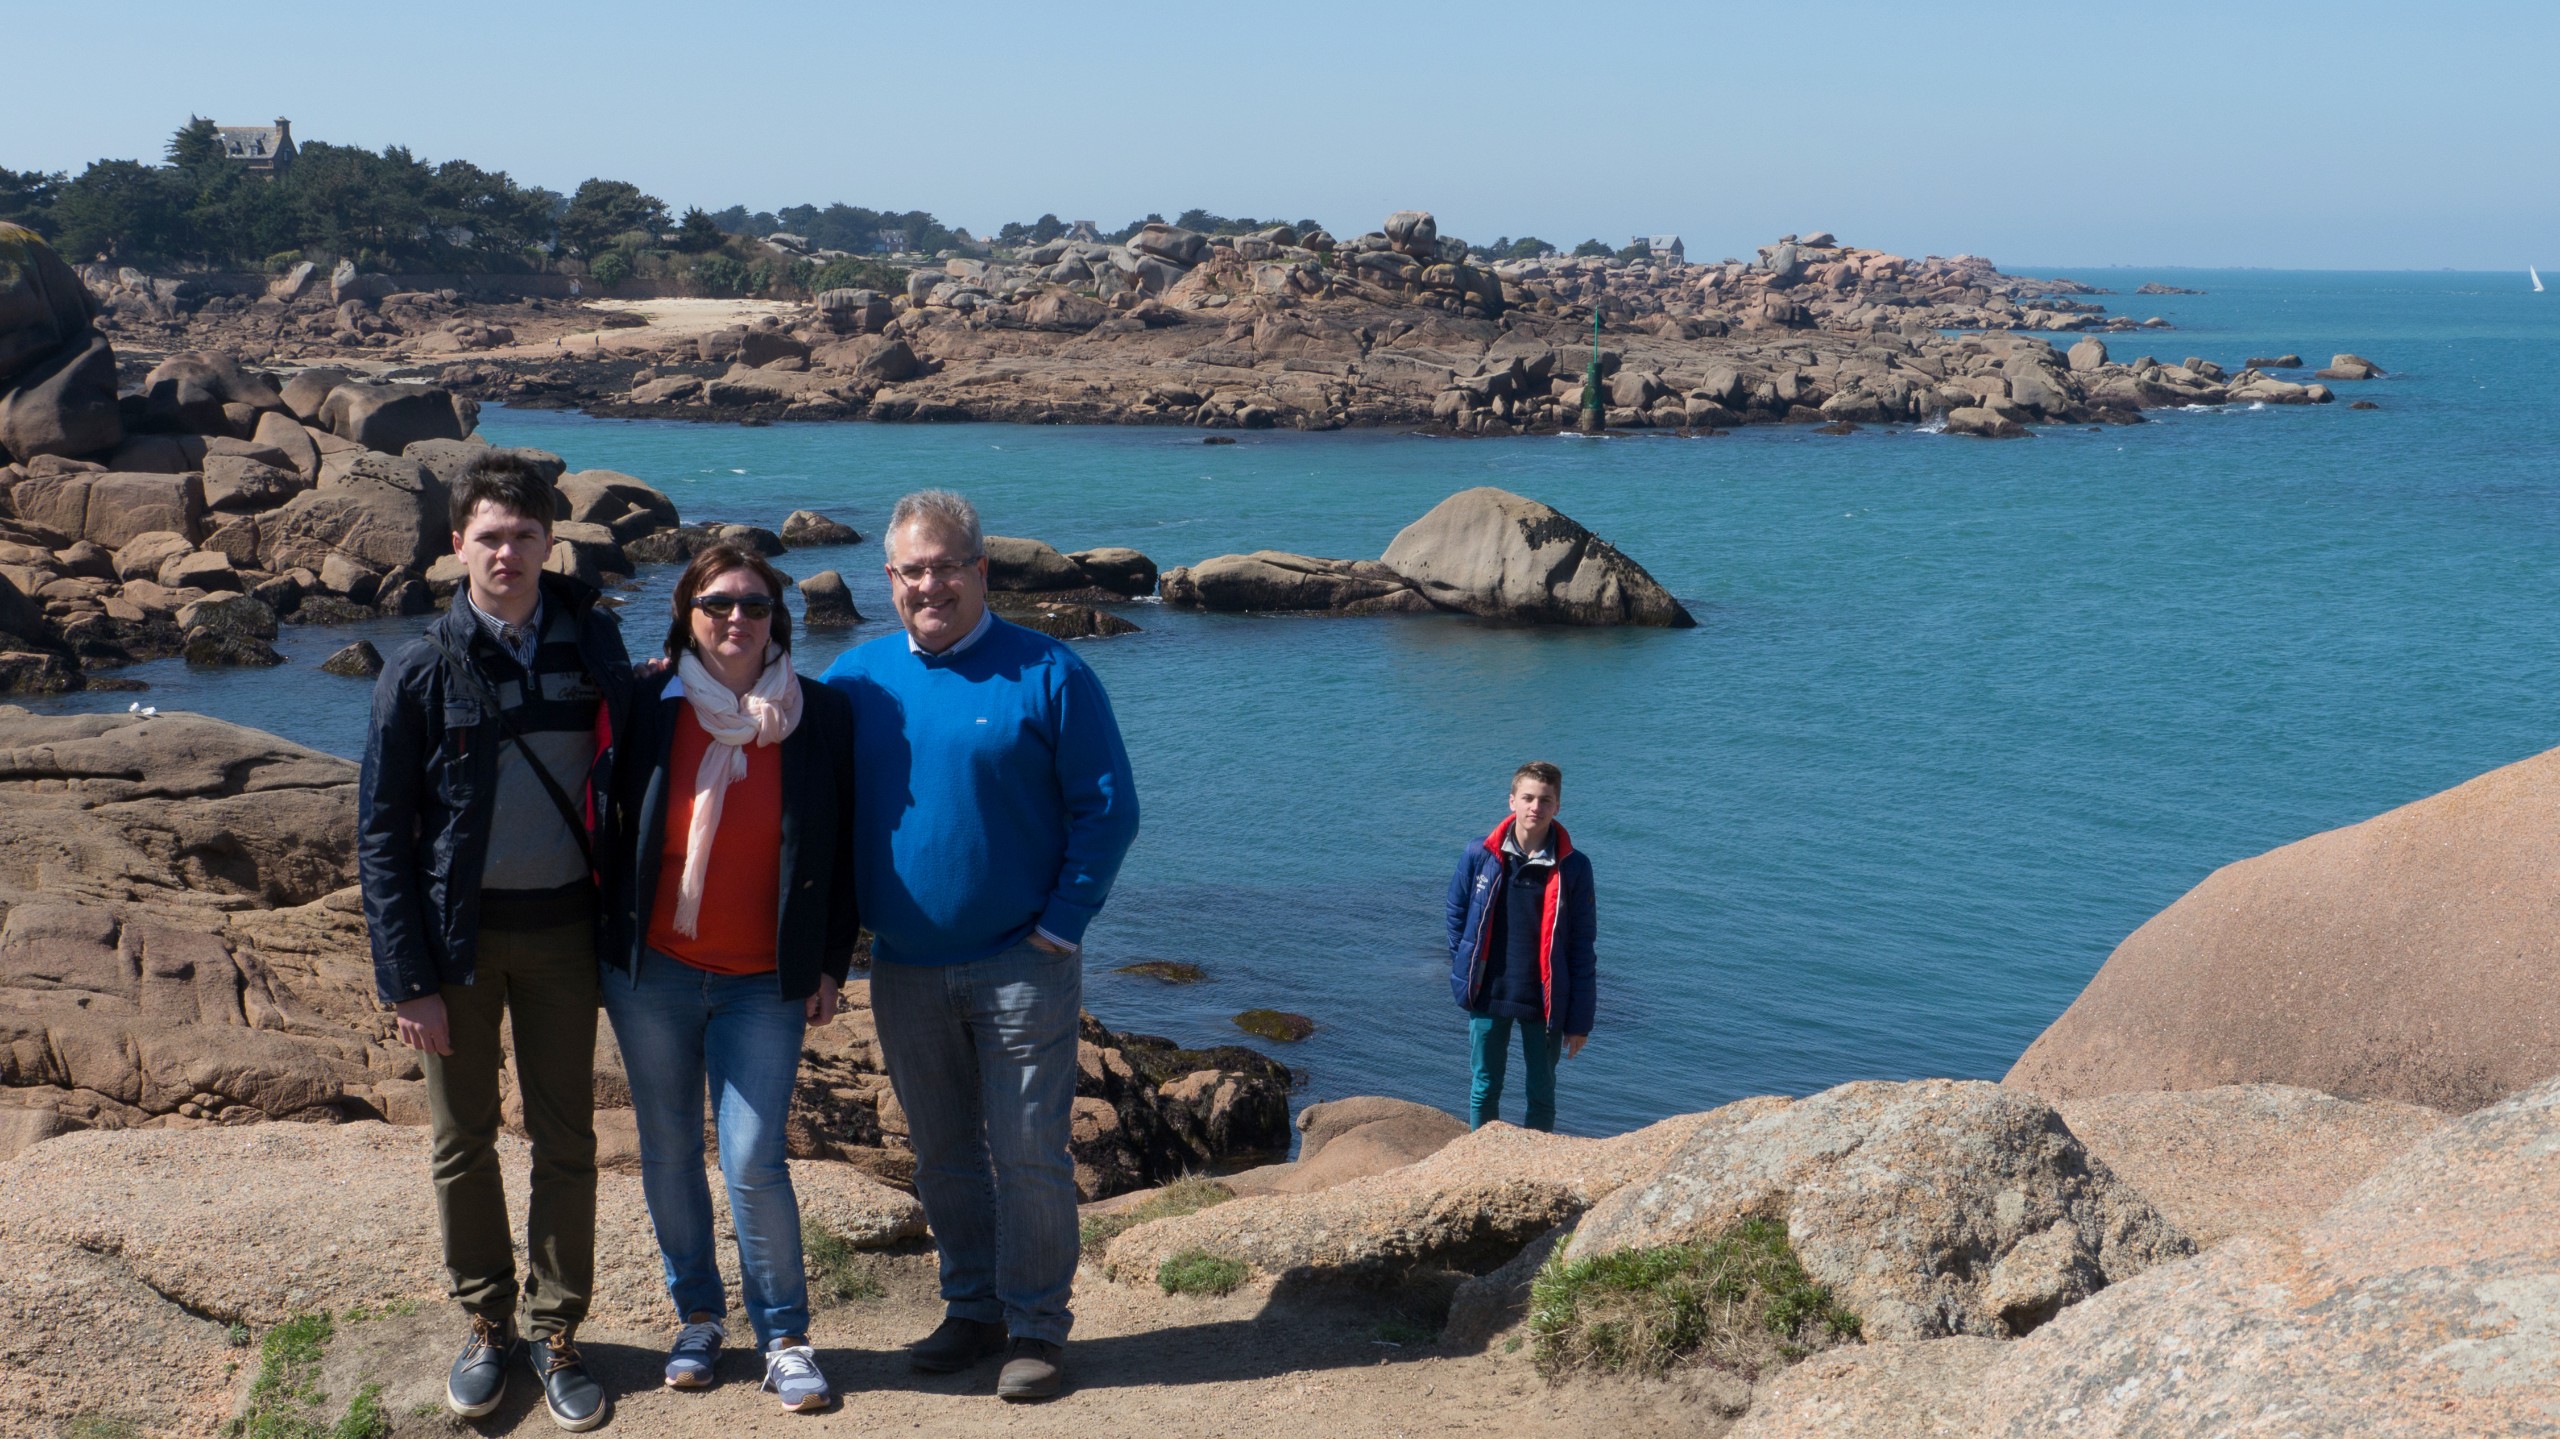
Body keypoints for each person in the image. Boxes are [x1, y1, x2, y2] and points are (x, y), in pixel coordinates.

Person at [819, 490, 1139, 1403]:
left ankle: (1036, 1325)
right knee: (942, 1152)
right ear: (889, 577)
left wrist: (1062, 924)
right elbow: (815, 808)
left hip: (1022, 961)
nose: (931, 585)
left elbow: (1109, 809)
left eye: (948, 566)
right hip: (904, 965)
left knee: (1030, 1152)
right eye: (913, 570)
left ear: (981, 570)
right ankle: (972, 1308)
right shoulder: (855, 680)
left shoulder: (1051, 671)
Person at [359, 452, 633, 1431]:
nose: (506, 552)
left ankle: (557, 1331)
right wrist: (407, 978)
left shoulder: (593, 642)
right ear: (456, 545)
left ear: (549, 542)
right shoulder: (420, 667)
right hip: (456, 945)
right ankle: (487, 1321)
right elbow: (380, 832)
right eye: (489, 536)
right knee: (461, 1140)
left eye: (523, 535)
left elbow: (644, 752)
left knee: (567, 1140)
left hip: (565, 933)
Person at [598, 542, 857, 1414]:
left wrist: (830, 962)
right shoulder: (646, 703)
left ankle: (784, 1336)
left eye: (753, 603)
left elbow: (844, 848)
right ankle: (699, 1318)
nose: (736, 618)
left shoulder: (819, 713)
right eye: (717, 604)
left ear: (777, 617)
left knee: (751, 1157)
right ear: (687, 614)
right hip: (654, 974)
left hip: (764, 983)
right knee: (669, 1149)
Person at [1445, 761, 1597, 1132]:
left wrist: (1579, 1023)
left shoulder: (1574, 867)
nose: (1535, 807)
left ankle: (1536, 1163)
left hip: (1544, 1000)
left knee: (1541, 1094)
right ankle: (1479, 1159)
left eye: (1545, 800)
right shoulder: (1480, 854)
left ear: (1557, 805)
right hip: (1488, 992)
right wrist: (1465, 968)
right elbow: (1456, 918)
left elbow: (1582, 946)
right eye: (1528, 798)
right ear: (1512, 800)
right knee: (1485, 1086)